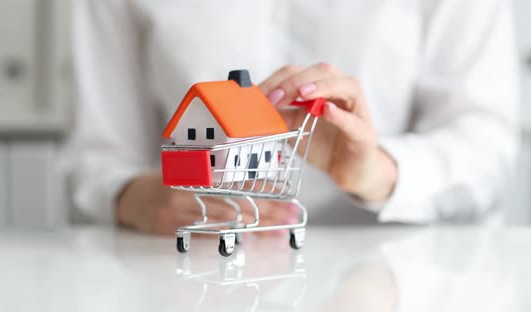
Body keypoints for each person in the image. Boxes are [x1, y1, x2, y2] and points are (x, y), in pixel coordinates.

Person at [62, 0, 520, 234]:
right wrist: (130, 195)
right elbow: (98, 154)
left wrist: (382, 171)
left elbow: (484, 137)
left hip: (406, 274)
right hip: (190, 275)